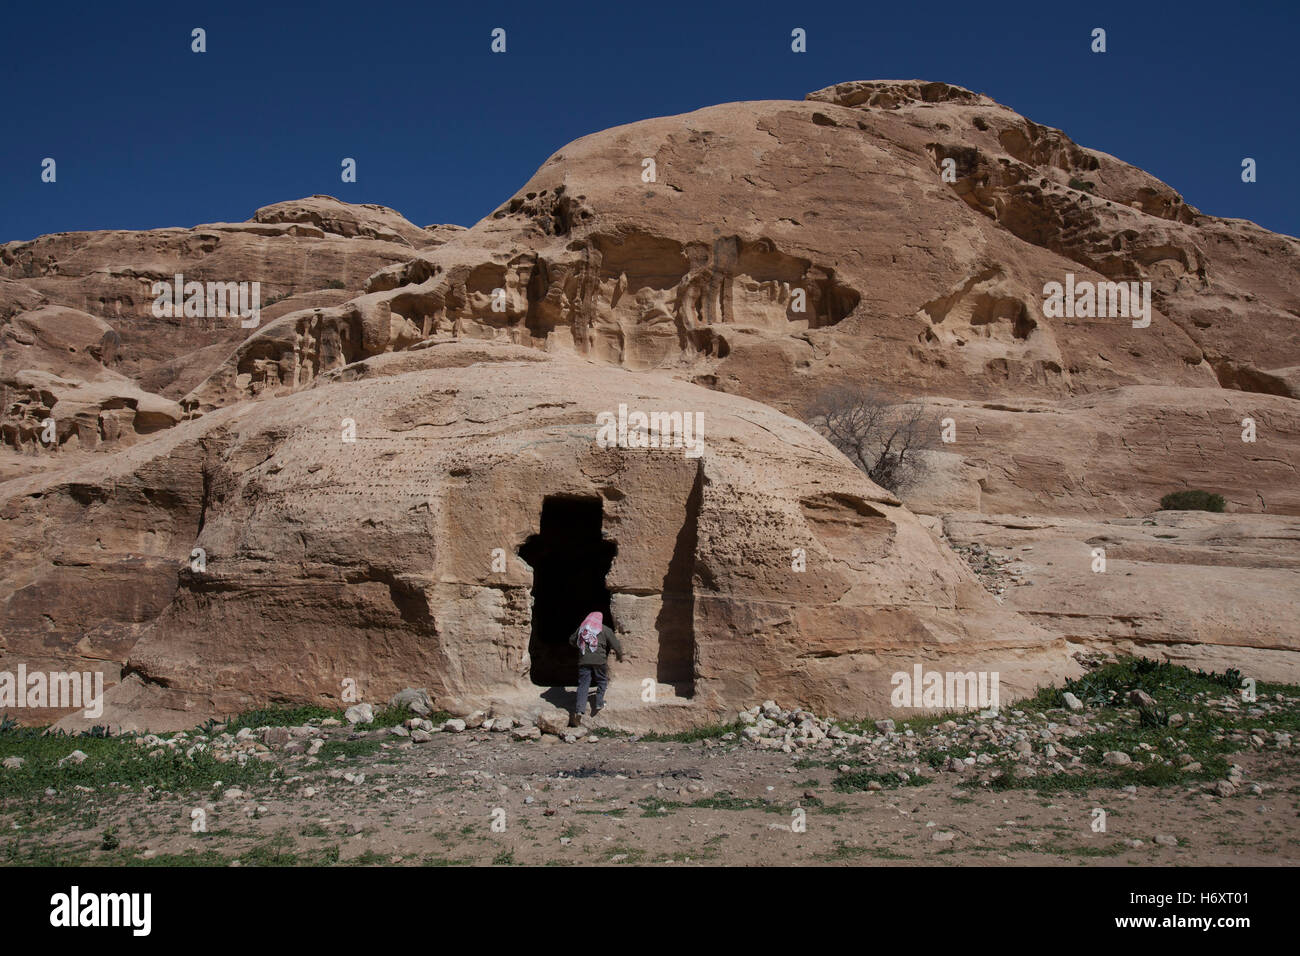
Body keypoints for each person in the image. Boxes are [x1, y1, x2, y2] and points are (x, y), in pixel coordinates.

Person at [568, 610, 623, 725]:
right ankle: (599, 702)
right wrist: (620, 655)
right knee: (602, 680)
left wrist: (581, 646)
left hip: (583, 660)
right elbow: (615, 643)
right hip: (599, 660)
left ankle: (579, 710)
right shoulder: (604, 629)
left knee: (583, 684)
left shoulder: (582, 629)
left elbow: (572, 640)